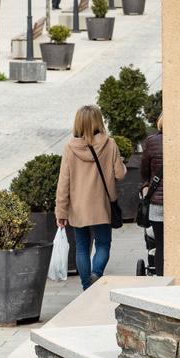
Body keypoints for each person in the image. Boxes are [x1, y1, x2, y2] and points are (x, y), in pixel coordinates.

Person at [55, 105, 126, 289]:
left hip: (78, 208)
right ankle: (96, 274)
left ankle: (87, 286)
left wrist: (61, 211)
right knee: (103, 243)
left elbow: (63, 182)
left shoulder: (70, 147)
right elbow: (120, 174)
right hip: (102, 205)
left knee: (81, 246)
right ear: (98, 121)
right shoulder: (109, 144)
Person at [140, 115, 165, 275]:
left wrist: (145, 185)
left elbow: (144, 170)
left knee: (161, 246)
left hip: (157, 203)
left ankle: (162, 281)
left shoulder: (152, 141)